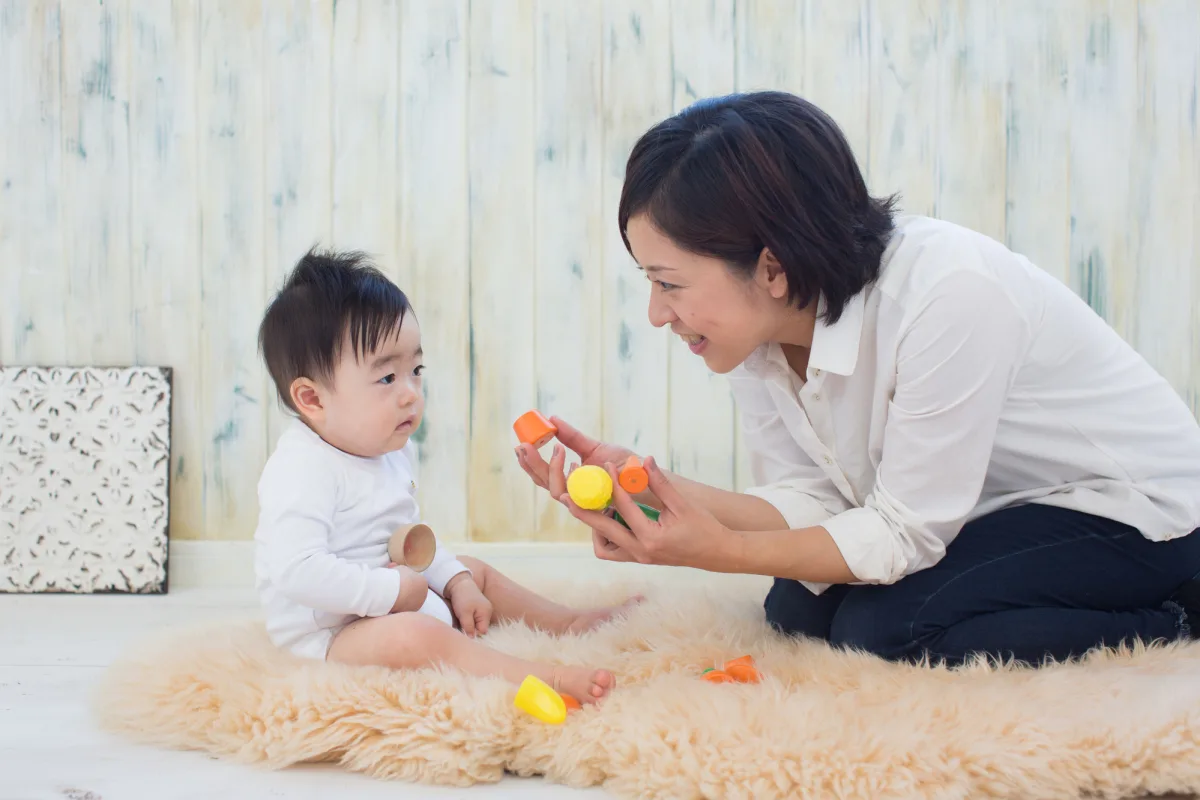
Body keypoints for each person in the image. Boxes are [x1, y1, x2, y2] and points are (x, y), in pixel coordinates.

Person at [516, 91, 1200, 667]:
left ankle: (1175, 618)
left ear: (771, 268)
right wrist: (653, 493)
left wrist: (719, 551)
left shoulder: (949, 294)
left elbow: (904, 534)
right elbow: (817, 497)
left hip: (1130, 511)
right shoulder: (758, 332)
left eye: (670, 285)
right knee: (797, 610)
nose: (658, 314)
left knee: (885, 629)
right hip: (988, 510)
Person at [253, 249, 638, 703]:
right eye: (386, 379)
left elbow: (406, 539)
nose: (411, 394)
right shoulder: (302, 469)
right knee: (415, 638)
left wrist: (454, 582)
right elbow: (297, 571)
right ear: (312, 400)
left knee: (474, 573)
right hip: (332, 630)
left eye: (415, 371)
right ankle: (539, 677)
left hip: (396, 588)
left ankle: (568, 622)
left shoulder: (391, 449)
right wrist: (392, 592)